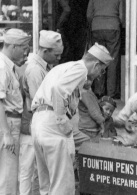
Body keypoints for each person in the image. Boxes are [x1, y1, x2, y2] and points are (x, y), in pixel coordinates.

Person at [30, 43, 112, 195]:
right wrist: (62, 121)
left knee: (47, 186)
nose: (101, 74)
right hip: (53, 121)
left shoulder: (65, 67)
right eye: (102, 69)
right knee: (63, 188)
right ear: (95, 65)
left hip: (39, 120)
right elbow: (58, 90)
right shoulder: (81, 69)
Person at [19, 30, 63, 195]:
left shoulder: (43, 67)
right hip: (36, 124)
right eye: (56, 55)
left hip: (39, 125)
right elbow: (40, 103)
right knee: (35, 172)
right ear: (45, 51)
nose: (58, 59)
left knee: (40, 171)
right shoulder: (35, 70)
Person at [0, 28, 31, 195]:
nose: (25, 52)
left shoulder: (8, 66)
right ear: (12, 46)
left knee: (8, 174)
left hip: (10, 122)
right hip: (8, 123)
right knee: (8, 176)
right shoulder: (2, 66)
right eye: (23, 47)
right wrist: (6, 133)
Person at [87, 0, 123, 99]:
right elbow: (122, 17)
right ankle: (111, 93)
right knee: (112, 59)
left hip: (97, 27)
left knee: (98, 58)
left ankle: (98, 91)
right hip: (113, 27)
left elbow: (89, 16)